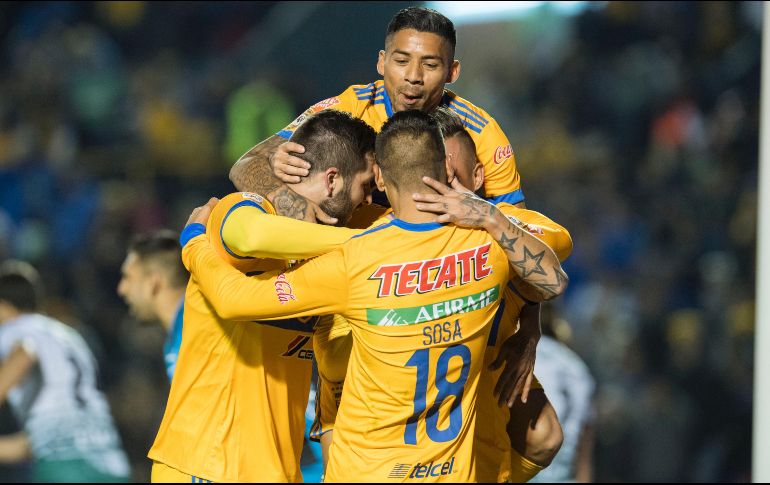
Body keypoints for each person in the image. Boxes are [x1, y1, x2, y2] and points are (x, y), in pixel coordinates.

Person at [181, 110, 568, 481]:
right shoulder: (489, 248)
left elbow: (234, 298)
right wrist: (490, 216)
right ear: (445, 170)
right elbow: (553, 280)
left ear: (381, 177)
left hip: (364, 471)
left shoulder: (358, 259)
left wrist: (194, 242)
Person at [309, 107, 570, 481]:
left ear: (477, 178)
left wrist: (530, 322)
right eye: (430, 176)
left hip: (464, 424)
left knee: (544, 434)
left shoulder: (493, 238)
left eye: (451, 178)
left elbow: (557, 250)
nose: (440, 190)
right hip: (375, 429)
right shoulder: (372, 239)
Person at [148, 110, 377, 483]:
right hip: (206, 464)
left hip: (276, 471)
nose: (368, 199)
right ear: (332, 179)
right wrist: (376, 244)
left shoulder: (322, 259)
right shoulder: (239, 208)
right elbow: (250, 235)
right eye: (365, 184)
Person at [230, 6, 526, 227]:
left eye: (430, 65)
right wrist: (285, 194)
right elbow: (246, 165)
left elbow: (521, 230)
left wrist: (485, 216)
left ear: (452, 72)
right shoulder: (348, 109)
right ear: (382, 63)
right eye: (401, 61)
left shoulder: (481, 134)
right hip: (353, 265)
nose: (413, 76)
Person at [0, 260, 131, 482]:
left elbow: (24, 353)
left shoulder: (15, 327)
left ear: (3, 305)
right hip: (110, 464)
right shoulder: (69, 335)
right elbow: (44, 438)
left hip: (65, 468)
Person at [530, 304, 596, 483]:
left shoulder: (514, 355)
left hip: (520, 472)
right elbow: (585, 444)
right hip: (563, 474)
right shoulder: (576, 366)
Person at [117, 230, 187, 381]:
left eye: (128, 277)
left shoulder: (197, 327)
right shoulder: (177, 334)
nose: (121, 289)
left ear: (153, 283)